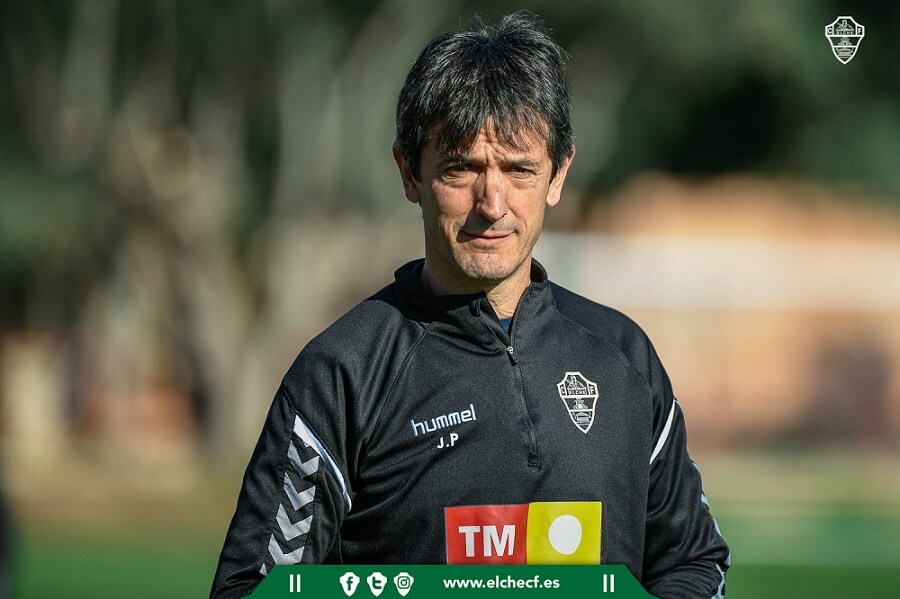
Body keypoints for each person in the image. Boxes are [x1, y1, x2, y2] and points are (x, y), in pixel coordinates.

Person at [211, 12, 729, 598]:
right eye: (462, 169)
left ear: (559, 175)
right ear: (409, 173)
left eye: (519, 169)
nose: (492, 202)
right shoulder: (344, 373)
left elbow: (693, 564)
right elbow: (252, 590)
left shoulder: (623, 357)